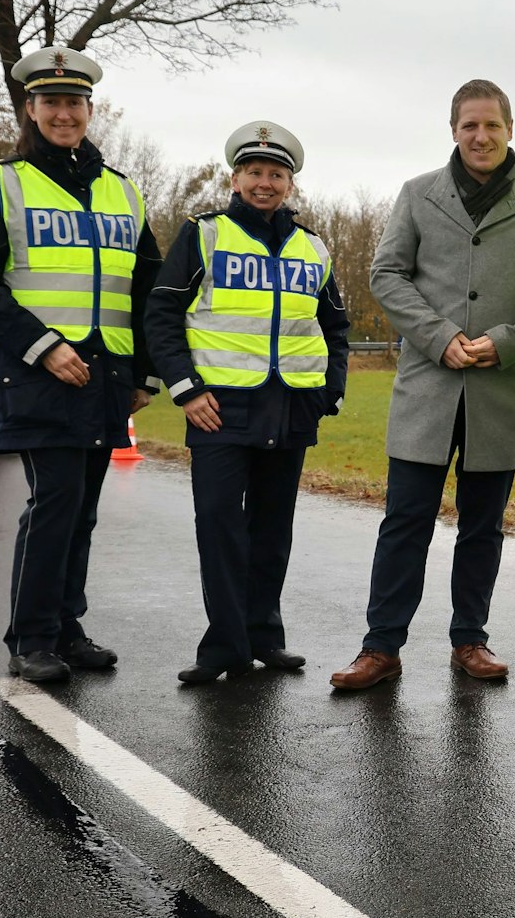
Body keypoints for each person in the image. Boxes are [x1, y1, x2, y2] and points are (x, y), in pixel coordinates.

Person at [330, 80, 515, 690]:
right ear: (453, 131)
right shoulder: (416, 194)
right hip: (427, 387)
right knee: (405, 520)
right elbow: (386, 274)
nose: (480, 137)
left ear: (510, 129)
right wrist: (437, 336)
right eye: (469, 126)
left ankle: (471, 641)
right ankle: (380, 648)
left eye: (491, 125)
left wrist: (507, 342)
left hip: (500, 387)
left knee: (483, 526)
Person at [0, 46, 161, 683]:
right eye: (51, 103)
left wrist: (144, 373)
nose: (64, 113)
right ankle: (31, 637)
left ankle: (67, 628)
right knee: (56, 501)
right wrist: (44, 346)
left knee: (82, 508)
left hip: (107, 375)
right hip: (39, 370)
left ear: (90, 110)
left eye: (74, 102)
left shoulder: (124, 191)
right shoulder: (1, 183)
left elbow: (148, 289)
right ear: (31, 109)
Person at [145, 121, 349, 684]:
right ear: (234, 177)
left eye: (277, 174)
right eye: (255, 172)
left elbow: (335, 326)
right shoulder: (203, 235)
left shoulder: (314, 246)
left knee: (271, 528)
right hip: (219, 409)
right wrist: (185, 389)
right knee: (218, 525)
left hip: (291, 409)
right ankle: (224, 649)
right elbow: (162, 317)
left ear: (290, 183)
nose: (266, 183)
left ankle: (264, 637)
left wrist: (330, 389)